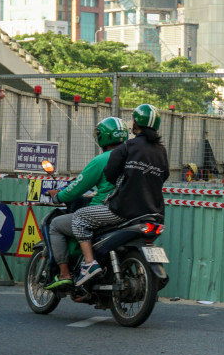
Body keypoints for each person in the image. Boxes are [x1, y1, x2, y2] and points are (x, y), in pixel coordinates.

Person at [71, 104, 169, 286]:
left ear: (135, 124)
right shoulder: (161, 151)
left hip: (123, 210)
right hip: (154, 213)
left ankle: (89, 264)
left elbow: (110, 173)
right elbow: (164, 176)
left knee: (79, 218)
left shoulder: (129, 146)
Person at [43, 117, 128, 290]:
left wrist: (57, 197)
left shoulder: (101, 160)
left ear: (102, 137)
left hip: (104, 211)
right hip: (130, 211)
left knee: (56, 225)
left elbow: (75, 189)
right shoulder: (133, 158)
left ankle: (65, 274)